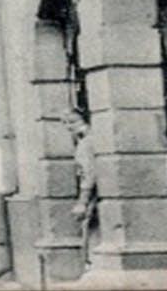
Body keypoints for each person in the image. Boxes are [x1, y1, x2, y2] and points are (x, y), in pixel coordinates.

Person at [64, 108, 97, 269]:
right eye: (65, 123)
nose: (68, 126)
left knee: (91, 230)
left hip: (93, 196)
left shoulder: (86, 143)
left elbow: (88, 174)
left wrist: (82, 202)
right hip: (95, 194)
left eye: (73, 121)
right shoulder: (84, 141)